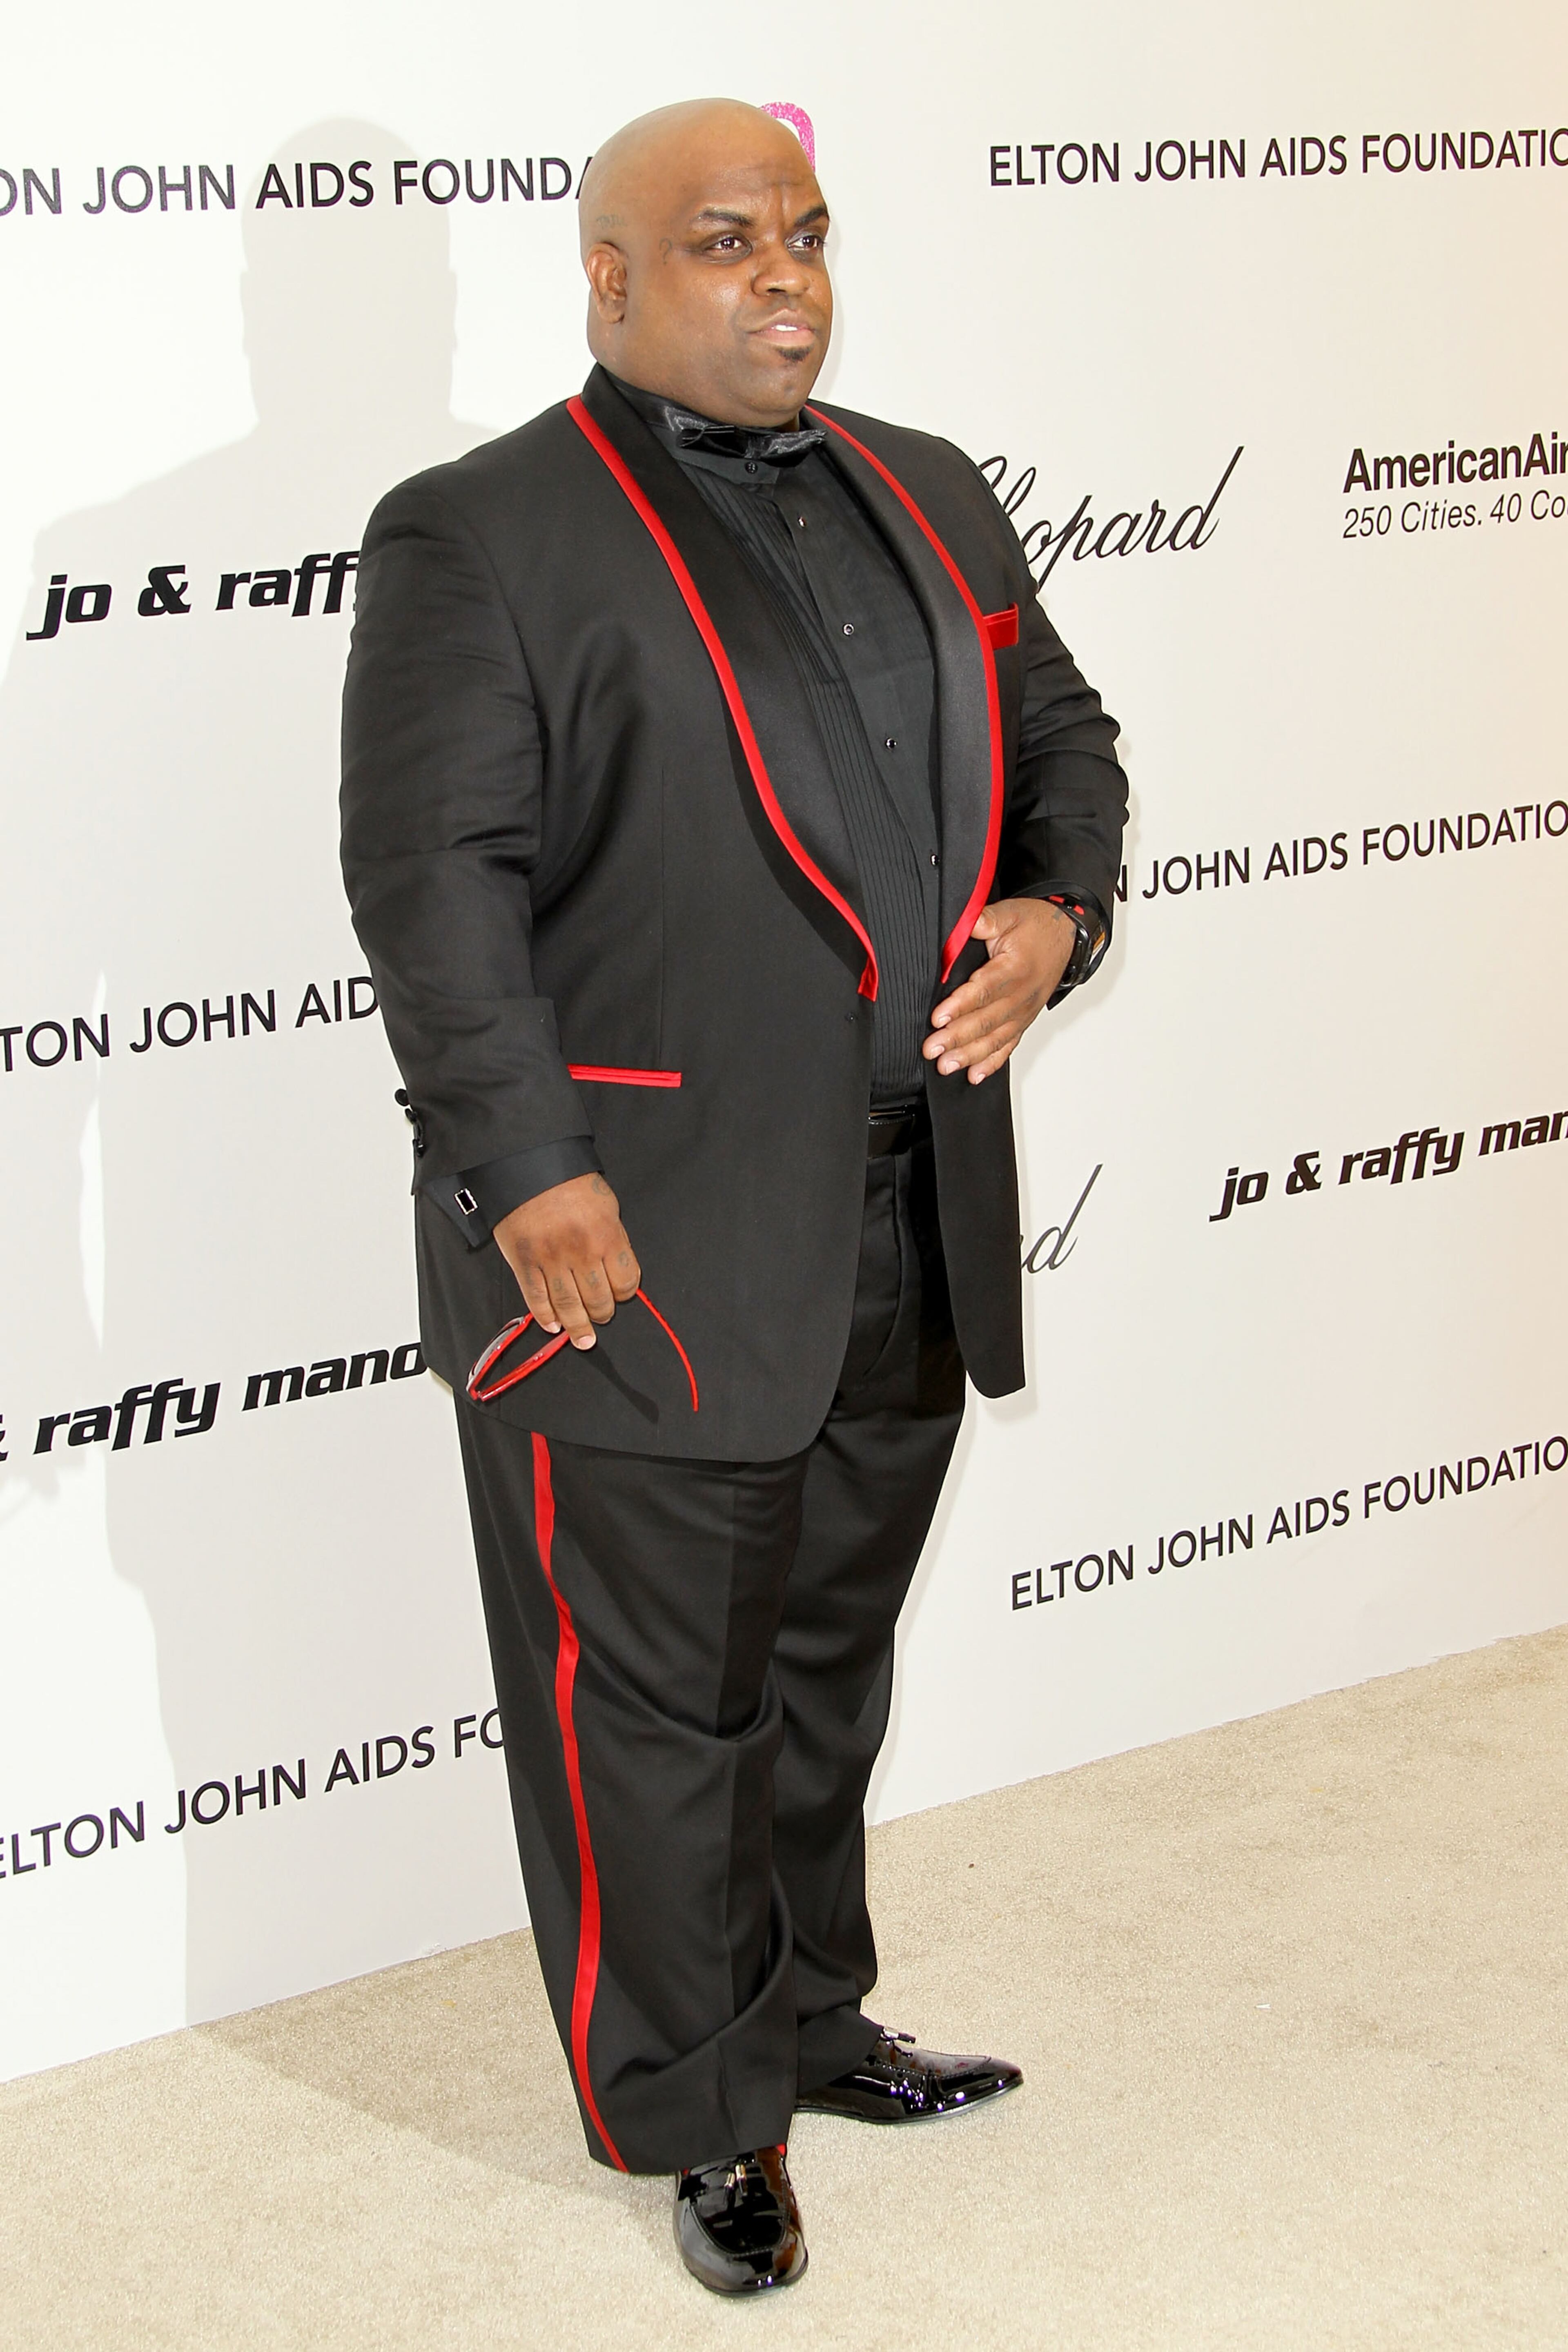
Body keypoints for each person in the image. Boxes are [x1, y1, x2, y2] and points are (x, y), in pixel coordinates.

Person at [341, 96, 1126, 2297]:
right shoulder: (479, 535)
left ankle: (807, 2016)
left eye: (804, 235)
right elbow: (434, 893)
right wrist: (529, 1178)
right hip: (635, 1240)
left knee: (819, 1667)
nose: (786, 275)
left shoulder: (929, 486)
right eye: (723, 242)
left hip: (910, 1203)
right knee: (653, 1709)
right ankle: (695, 2119)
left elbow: (1065, 735)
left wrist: (1060, 910)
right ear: (608, 279)